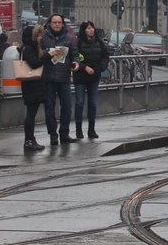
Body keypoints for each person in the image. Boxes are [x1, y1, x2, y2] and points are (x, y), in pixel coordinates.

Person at [41, 13, 79, 145]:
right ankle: (53, 135)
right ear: (49, 24)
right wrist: (48, 54)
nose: (57, 24)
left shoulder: (69, 39)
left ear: (63, 24)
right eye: (54, 22)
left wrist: (76, 63)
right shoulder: (43, 38)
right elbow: (39, 55)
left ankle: (64, 134)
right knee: (49, 108)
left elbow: (75, 55)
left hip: (64, 78)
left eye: (59, 22)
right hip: (48, 78)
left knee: (67, 108)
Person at [19, 24, 54, 152]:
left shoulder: (32, 48)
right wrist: (48, 55)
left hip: (34, 85)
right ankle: (28, 140)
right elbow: (34, 63)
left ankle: (31, 139)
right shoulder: (28, 48)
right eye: (38, 35)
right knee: (31, 114)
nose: (40, 38)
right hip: (31, 85)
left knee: (32, 114)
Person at [73, 21, 110, 139]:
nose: (91, 30)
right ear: (84, 30)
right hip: (80, 76)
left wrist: (100, 68)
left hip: (94, 76)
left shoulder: (99, 42)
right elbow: (74, 57)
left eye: (92, 28)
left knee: (93, 103)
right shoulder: (78, 43)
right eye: (88, 28)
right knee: (79, 102)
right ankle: (78, 129)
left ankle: (91, 129)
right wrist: (84, 67)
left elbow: (105, 56)